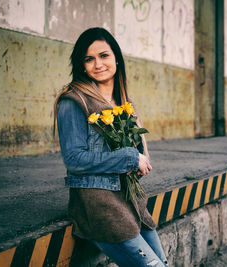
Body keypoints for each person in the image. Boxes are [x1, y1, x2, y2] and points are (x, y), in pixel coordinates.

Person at [54, 27, 168, 267]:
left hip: (133, 206)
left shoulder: (125, 103)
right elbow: (74, 159)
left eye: (104, 55)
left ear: (116, 57)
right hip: (100, 208)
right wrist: (127, 157)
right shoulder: (74, 100)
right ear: (82, 65)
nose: (98, 64)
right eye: (89, 59)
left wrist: (140, 159)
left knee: (163, 264)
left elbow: (139, 155)